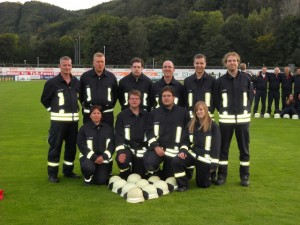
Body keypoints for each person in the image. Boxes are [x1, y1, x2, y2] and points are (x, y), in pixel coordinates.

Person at [213, 52, 253, 187]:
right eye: (229, 61)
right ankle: (222, 175)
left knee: (244, 149)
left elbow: (250, 99)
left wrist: (245, 111)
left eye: (234, 61)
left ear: (238, 62)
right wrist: (223, 111)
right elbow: (216, 100)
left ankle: (245, 176)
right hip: (225, 121)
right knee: (223, 149)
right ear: (225, 63)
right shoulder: (220, 81)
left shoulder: (246, 79)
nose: (232, 63)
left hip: (243, 120)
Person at [40, 56, 81, 183]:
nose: (67, 67)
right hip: (58, 122)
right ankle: (52, 173)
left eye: (69, 65)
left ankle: (68, 171)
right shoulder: (52, 83)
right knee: (55, 147)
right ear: (60, 66)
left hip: (73, 122)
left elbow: (80, 98)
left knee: (71, 148)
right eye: (64, 65)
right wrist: (53, 111)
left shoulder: (76, 82)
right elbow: (44, 100)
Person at [172, 101, 221, 191]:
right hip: (193, 154)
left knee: (203, 185)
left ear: (205, 110)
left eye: (201, 109)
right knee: (176, 161)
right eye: (196, 110)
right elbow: (185, 140)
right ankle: (183, 184)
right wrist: (183, 151)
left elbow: (216, 146)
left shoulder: (213, 126)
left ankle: (209, 175)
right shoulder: (190, 124)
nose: (199, 112)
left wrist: (214, 164)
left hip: (205, 157)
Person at [143, 86, 190, 180]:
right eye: (164, 96)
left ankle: (167, 172)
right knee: (149, 162)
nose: (166, 98)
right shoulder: (154, 113)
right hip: (158, 149)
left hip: (174, 151)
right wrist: (155, 146)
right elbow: (149, 131)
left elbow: (187, 134)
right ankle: (157, 173)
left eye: (169, 95)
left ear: (174, 97)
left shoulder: (183, 113)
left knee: (169, 177)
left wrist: (183, 150)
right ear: (161, 98)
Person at [115, 90, 149, 179]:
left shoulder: (147, 115)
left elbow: (151, 133)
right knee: (122, 161)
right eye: (132, 99)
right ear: (128, 100)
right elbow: (118, 135)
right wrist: (121, 151)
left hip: (142, 148)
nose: (134, 101)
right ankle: (124, 175)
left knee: (140, 175)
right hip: (127, 148)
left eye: (136, 99)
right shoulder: (122, 116)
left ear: (140, 100)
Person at [77, 105, 115, 185]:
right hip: (88, 157)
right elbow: (81, 145)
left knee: (100, 181)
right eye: (94, 113)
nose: (96, 115)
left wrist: (103, 157)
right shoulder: (84, 129)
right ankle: (87, 178)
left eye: (98, 113)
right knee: (88, 167)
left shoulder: (108, 128)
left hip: (102, 158)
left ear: (101, 115)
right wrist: (94, 157)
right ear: (90, 115)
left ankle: (102, 172)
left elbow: (112, 145)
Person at [79, 52, 118, 127]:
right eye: (97, 62)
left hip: (107, 114)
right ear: (93, 62)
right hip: (89, 114)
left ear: (104, 62)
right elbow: (81, 95)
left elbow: (115, 95)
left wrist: (108, 104)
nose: (100, 64)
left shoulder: (111, 77)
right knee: (89, 137)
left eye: (102, 62)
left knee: (106, 137)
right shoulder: (85, 77)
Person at [183, 54, 216, 119]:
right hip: (191, 119)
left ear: (205, 64)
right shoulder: (187, 81)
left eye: (201, 63)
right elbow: (185, 100)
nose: (199, 65)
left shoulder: (212, 80)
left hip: (208, 118)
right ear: (194, 64)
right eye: (197, 63)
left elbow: (216, 100)